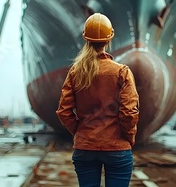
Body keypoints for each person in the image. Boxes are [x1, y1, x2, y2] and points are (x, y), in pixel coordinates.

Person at [56, 13, 139, 187]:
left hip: (85, 147)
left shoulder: (75, 72)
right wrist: (129, 137)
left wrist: (81, 132)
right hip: (117, 148)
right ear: (109, 39)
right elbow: (129, 112)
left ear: (86, 38)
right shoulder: (121, 72)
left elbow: (64, 111)